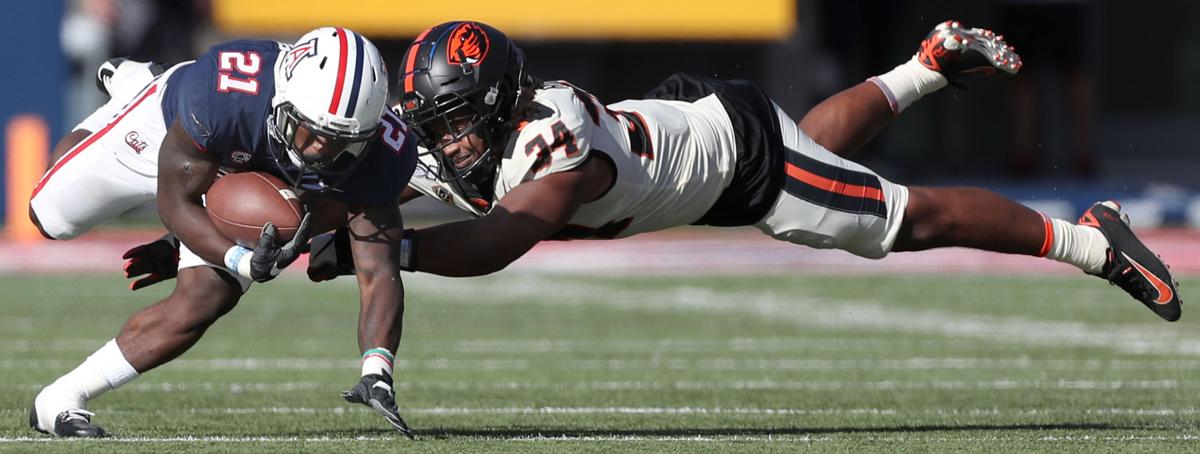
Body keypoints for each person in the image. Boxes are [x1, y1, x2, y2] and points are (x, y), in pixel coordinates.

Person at [343, 19, 1173, 322]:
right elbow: (384, 180)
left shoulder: (552, 153)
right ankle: (925, 67)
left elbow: (501, 238)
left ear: (494, 108)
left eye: (452, 124)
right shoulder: (480, 130)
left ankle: (1089, 239)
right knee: (813, 151)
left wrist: (392, 252)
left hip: (735, 157)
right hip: (692, 126)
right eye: (432, 123)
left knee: (908, 221)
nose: (441, 141)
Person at [28, 27, 418, 438]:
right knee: (52, 218)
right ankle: (134, 84)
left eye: (340, 141)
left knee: (207, 296)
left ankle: (61, 398)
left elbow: (378, 272)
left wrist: (378, 369)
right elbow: (174, 203)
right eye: (311, 132)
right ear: (284, 100)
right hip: (173, 128)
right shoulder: (224, 92)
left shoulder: (381, 152)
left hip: (255, 170)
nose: (320, 150)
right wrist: (240, 259)